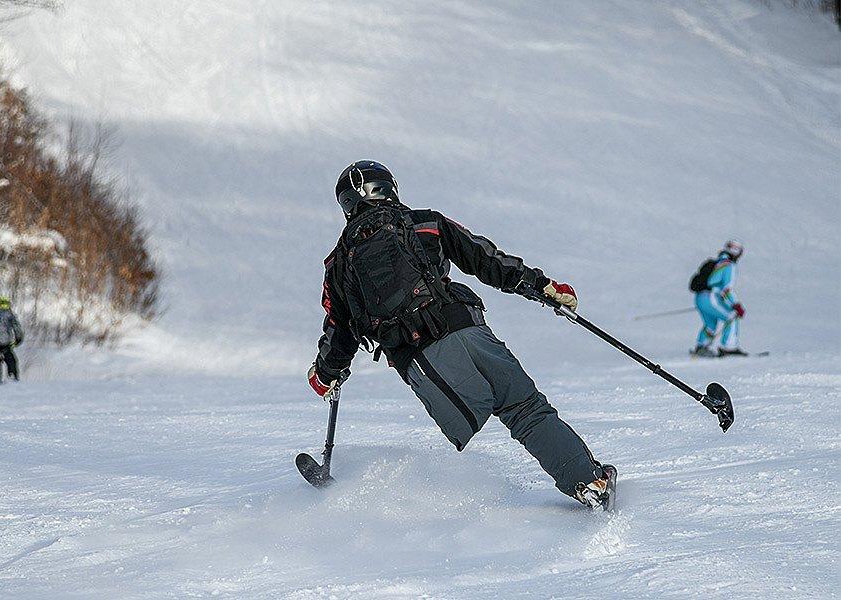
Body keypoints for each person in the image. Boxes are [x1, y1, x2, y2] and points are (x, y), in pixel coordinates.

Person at [307, 160, 615, 508]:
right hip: (466, 330)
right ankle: (589, 483)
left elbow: (339, 330)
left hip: (422, 363)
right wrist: (542, 286)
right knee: (525, 408)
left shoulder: (337, 265)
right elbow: (486, 258)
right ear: (390, 188)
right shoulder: (425, 223)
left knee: (503, 409)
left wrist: (325, 375)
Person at [691, 240, 747, 358]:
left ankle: (701, 347)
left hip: (700, 297)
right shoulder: (729, 265)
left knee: (710, 323)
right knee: (731, 316)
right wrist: (736, 305)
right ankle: (729, 348)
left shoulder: (717, 262)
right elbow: (726, 290)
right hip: (711, 298)